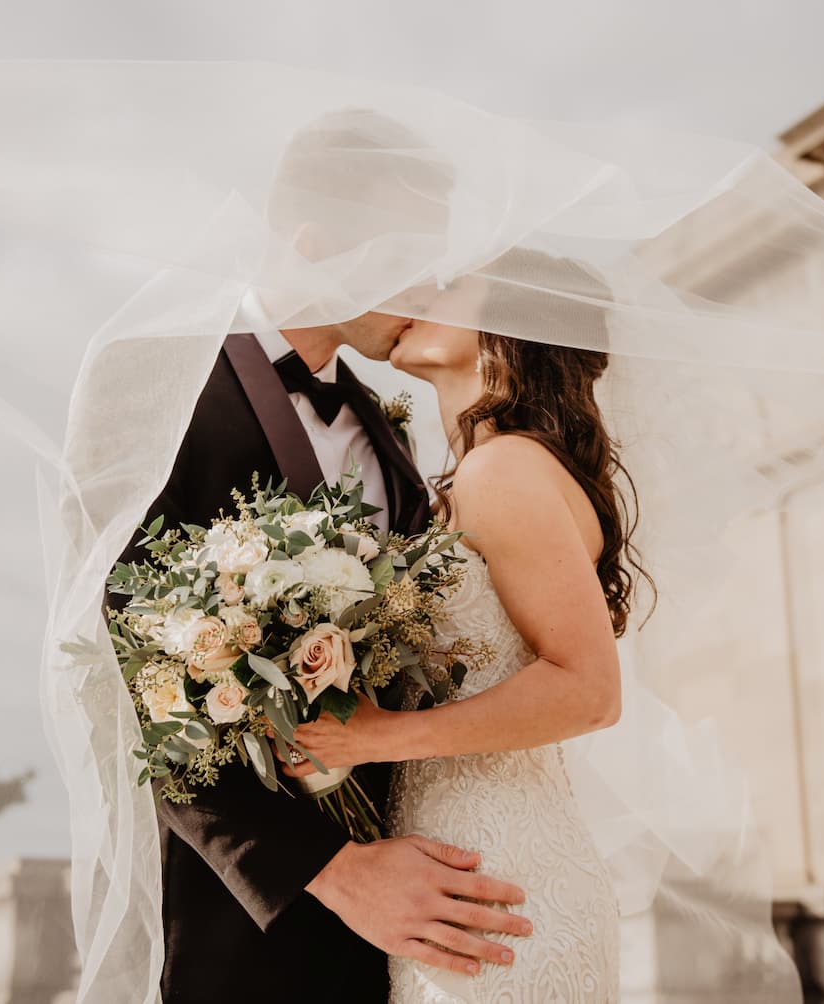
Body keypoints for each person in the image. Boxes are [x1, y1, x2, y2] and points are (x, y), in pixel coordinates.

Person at [109, 111, 533, 1003]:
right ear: (316, 245)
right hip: (243, 923)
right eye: (409, 256)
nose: (429, 286)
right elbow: (124, 667)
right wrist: (334, 872)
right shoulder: (153, 383)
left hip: (416, 918)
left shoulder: (391, 436)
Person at [290, 311, 654, 1001]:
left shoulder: (504, 468)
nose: (417, 298)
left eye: (449, 287)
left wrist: (376, 737)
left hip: (503, 881)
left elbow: (590, 691)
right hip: (461, 872)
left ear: (510, 325)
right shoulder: (476, 476)